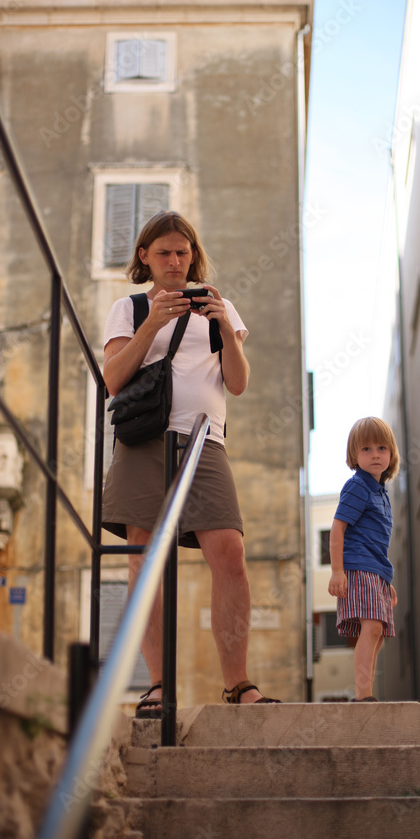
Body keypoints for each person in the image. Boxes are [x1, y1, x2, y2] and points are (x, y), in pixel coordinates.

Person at [102, 210, 280, 717]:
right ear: (145, 257)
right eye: (163, 252)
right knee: (143, 559)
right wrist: (153, 323)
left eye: (182, 252)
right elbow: (113, 379)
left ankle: (238, 684)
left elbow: (239, 383)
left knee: (229, 554)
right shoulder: (130, 308)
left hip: (206, 441)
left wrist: (225, 326)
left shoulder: (220, 308)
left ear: (192, 255)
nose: (175, 261)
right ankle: (158, 684)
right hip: (144, 441)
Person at [328, 416, 400, 702]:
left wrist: (385, 580)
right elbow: (337, 527)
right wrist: (336, 571)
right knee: (370, 627)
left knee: (378, 631)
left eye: (382, 448)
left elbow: (377, 541)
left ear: (391, 454)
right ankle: (363, 696)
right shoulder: (358, 485)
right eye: (366, 449)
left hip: (375, 571)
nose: (375, 454)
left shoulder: (380, 492)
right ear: (354, 456)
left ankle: (365, 693)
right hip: (357, 567)